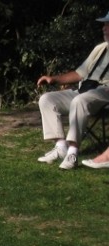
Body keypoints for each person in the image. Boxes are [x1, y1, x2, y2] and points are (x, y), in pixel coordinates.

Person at [35, 12, 109, 170]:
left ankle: (73, 152)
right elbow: (79, 73)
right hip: (84, 90)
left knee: (79, 101)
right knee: (47, 99)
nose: (104, 28)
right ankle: (60, 147)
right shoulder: (100, 48)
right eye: (104, 25)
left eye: (107, 25)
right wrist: (54, 79)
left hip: (104, 92)